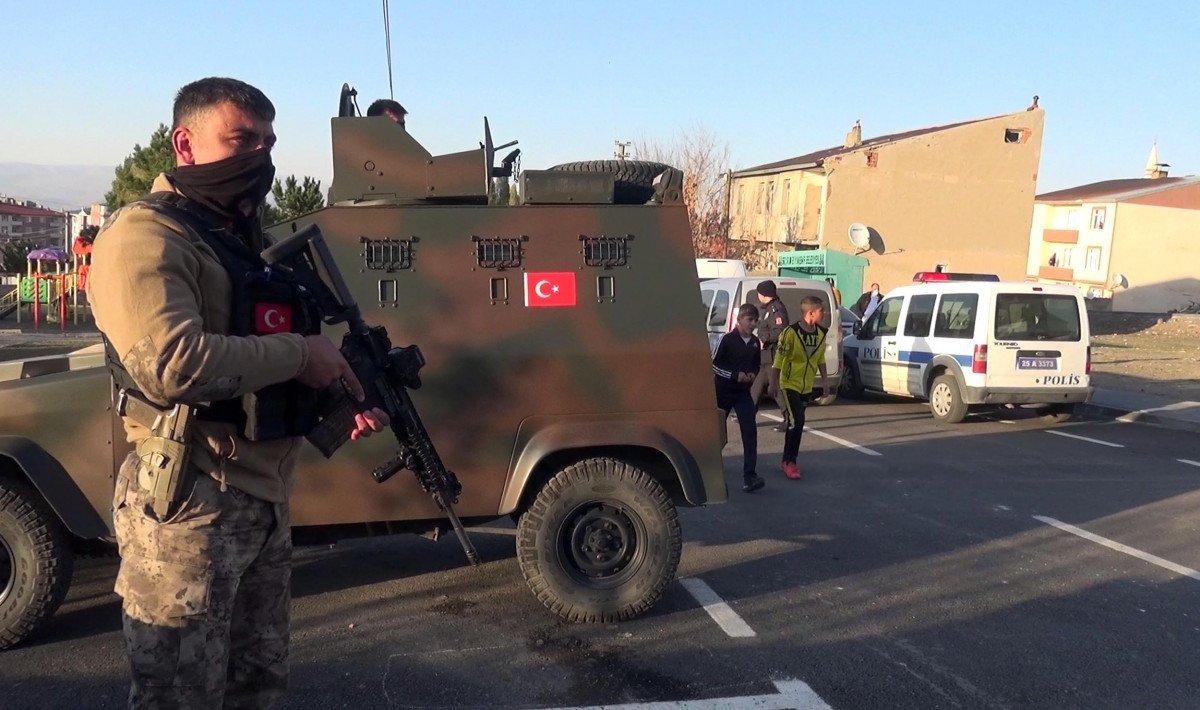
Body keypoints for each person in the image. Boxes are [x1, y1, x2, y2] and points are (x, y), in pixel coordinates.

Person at [89, 77, 389, 708]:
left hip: (262, 499)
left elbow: (261, 365)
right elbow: (172, 365)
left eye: (268, 141)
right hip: (189, 506)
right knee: (180, 694)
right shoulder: (145, 237)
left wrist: (337, 404)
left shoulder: (238, 245)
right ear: (185, 144)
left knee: (257, 689)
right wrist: (302, 355)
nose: (261, 156)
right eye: (241, 139)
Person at [770, 295, 830, 480]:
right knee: (798, 422)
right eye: (822, 310)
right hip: (789, 384)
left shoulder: (821, 333)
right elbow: (779, 360)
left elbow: (820, 358)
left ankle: (786, 460)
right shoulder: (790, 333)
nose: (825, 313)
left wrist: (826, 382)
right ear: (811, 313)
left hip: (807, 386)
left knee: (794, 423)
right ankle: (790, 462)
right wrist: (774, 382)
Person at [713, 303, 765, 493]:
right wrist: (734, 375)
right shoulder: (727, 340)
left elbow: (756, 365)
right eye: (749, 320)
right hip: (723, 392)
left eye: (755, 320)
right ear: (739, 320)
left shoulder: (754, 342)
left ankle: (750, 476)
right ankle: (709, 470)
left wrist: (751, 374)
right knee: (716, 432)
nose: (752, 324)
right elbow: (715, 365)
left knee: (750, 431)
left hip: (743, 394)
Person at [749, 279, 789, 406]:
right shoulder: (767, 309)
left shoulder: (776, 309)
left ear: (765, 295)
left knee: (776, 388)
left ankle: (789, 418)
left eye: (759, 293)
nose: (758, 296)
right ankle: (747, 413)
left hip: (773, 356)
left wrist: (764, 339)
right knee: (756, 386)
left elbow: (781, 330)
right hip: (765, 356)